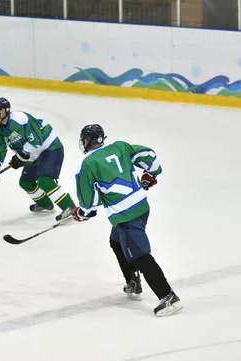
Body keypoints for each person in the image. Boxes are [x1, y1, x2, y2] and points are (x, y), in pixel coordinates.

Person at [72, 124, 183, 317]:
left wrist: (82, 213)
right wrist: (150, 174)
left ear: (87, 141)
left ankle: (168, 297)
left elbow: (89, 203)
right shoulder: (120, 146)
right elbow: (150, 156)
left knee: (140, 256)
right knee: (116, 241)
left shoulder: (85, 163)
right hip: (141, 207)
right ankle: (133, 282)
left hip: (125, 216)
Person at [0, 98, 77, 221]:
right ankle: (45, 203)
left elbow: (36, 139)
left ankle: (69, 206)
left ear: (4, 111)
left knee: (45, 180)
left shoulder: (19, 119)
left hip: (49, 147)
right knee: (25, 182)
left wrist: (22, 155)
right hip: (33, 155)